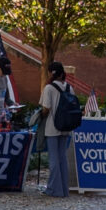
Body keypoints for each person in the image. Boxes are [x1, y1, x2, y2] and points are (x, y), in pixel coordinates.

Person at [39, 62, 75, 197]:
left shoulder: (49, 88)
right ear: (62, 73)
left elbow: (46, 108)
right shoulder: (69, 88)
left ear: (50, 73)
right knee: (62, 158)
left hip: (52, 126)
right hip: (66, 126)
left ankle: (54, 189)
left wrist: (41, 116)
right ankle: (64, 189)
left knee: (53, 159)